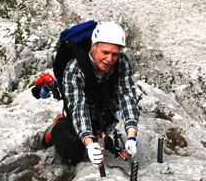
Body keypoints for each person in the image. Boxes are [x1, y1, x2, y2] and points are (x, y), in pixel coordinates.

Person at [47, 21, 140, 167]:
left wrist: (132, 136)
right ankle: (58, 127)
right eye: (105, 52)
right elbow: (78, 107)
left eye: (115, 54)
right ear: (93, 46)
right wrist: (89, 143)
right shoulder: (75, 68)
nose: (109, 59)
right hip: (84, 110)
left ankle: (97, 129)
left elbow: (127, 96)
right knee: (72, 154)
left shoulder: (121, 62)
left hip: (104, 110)